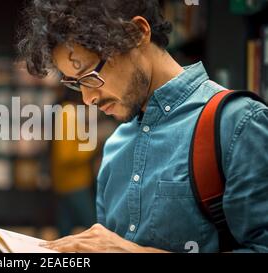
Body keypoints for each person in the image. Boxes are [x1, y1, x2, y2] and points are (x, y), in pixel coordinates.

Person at [17, 0, 268, 252]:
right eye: (75, 83)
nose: (87, 98)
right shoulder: (115, 147)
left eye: (91, 76)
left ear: (136, 33)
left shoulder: (237, 124)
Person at [51, 91, 96, 237]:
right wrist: (91, 148)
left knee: (64, 232)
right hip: (74, 183)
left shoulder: (66, 111)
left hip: (64, 182)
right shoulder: (69, 113)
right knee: (93, 228)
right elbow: (66, 156)